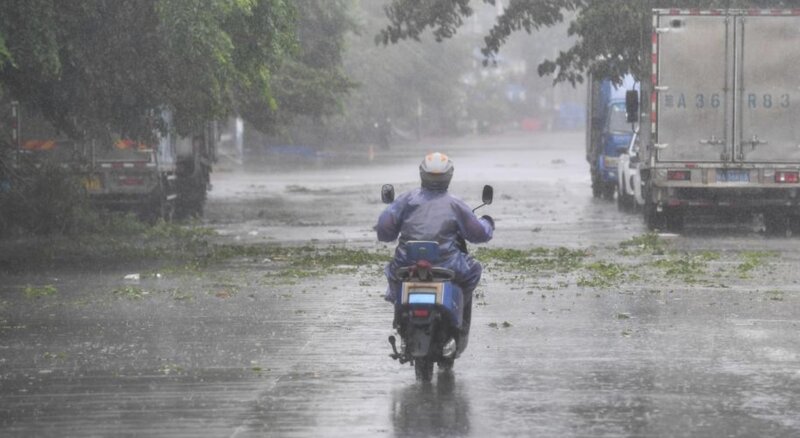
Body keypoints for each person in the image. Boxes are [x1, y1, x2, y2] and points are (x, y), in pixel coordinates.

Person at [375, 152, 494, 340]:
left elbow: (384, 230)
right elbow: (478, 233)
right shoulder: (455, 204)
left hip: (406, 264)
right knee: (474, 270)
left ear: (422, 174)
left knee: (391, 271)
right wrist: (488, 224)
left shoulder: (405, 201)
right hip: (448, 265)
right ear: (449, 176)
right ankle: (459, 315)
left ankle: (399, 310)